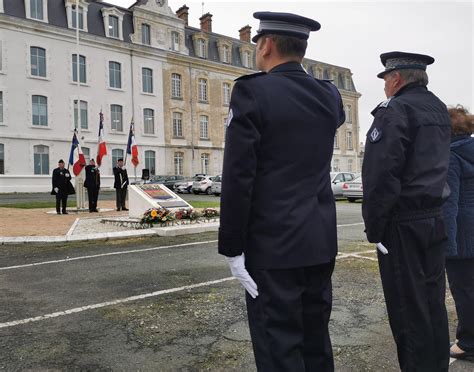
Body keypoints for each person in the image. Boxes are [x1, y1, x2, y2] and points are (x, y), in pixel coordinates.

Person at [218, 12, 345, 371]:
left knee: (279, 348)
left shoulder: (252, 92)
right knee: (315, 340)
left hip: (273, 247)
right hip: (319, 241)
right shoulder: (329, 95)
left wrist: (232, 246)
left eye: (258, 42)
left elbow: (239, 176)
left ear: (267, 44)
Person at [362, 51, 452, 371]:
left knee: (407, 310)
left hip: (403, 223)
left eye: (386, 79)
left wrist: (375, 229)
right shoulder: (439, 108)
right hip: (434, 218)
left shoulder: (395, 109)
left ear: (396, 78)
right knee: (432, 304)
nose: (385, 86)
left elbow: (380, 175)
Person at [442, 105, 474, 361]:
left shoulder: (451, 155)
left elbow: (449, 204)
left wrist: (447, 247)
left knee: (464, 291)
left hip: (463, 236)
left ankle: (468, 343)